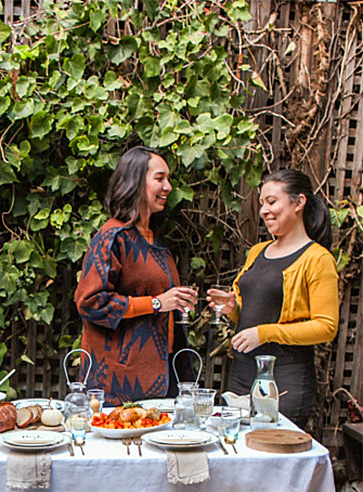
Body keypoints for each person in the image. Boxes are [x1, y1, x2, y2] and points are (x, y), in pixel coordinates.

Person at [208, 169, 339, 429]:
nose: (264, 211)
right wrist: (233, 309)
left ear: (299, 202)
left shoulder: (318, 259)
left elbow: (326, 327)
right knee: (235, 454)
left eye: (271, 202)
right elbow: (256, 313)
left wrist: (265, 333)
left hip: (284, 383)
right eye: (261, 204)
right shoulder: (257, 252)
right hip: (241, 377)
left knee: (274, 461)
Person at [74, 146, 198, 405]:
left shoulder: (154, 238)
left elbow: (160, 300)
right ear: (135, 182)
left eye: (169, 179)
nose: (168, 187)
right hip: (119, 388)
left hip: (162, 376)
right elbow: (90, 302)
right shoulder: (113, 237)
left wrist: (176, 302)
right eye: (160, 178)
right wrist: (156, 303)